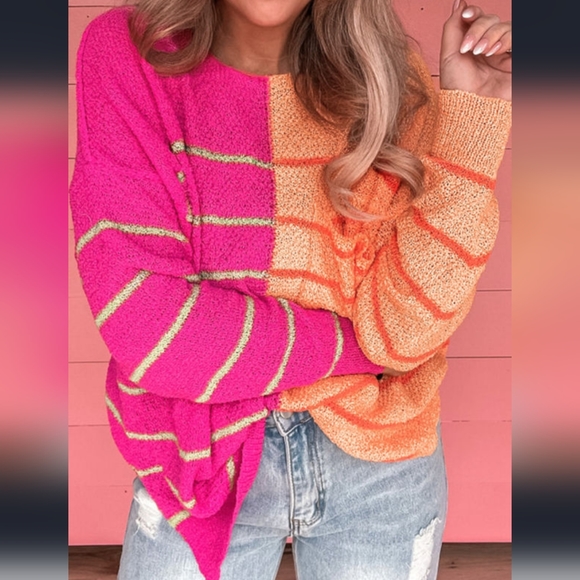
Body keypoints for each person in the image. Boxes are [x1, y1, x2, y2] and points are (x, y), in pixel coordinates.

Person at [69, 0, 511, 578]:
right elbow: (156, 332)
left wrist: (473, 124)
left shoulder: (384, 75)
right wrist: (358, 348)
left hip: (381, 462)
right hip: (200, 456)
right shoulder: (131, 51)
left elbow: (404, 336)